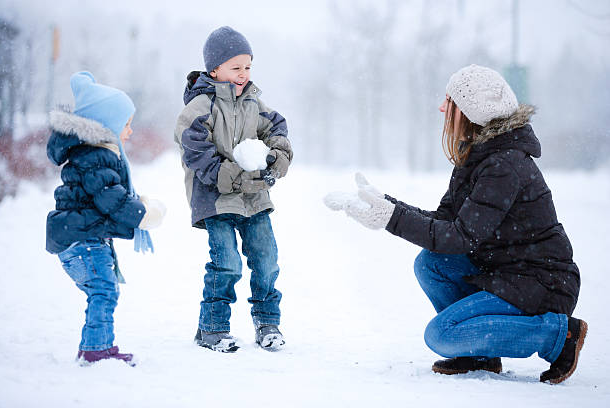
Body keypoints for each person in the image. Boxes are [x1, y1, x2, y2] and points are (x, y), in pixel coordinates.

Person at [324, 64, 586, 384]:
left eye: (449, 101)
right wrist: (387, 205)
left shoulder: (504, 165)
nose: (441, 107)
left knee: (441, 336)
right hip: (507, 272)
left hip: (541, 282)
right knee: (432, 264)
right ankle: (481, 355)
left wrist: (391, 219)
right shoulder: (479, 154)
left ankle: (558, 335)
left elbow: (459, 237)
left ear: (470, 111)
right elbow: (446, 220)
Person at [174, 26, 293, 352]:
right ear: (214, 70)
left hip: (254, 197)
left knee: (267, 260)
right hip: (216, 199)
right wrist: (234, 176)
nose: (244, 74)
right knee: (227, 263)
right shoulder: (199, 107)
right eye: (236, 67)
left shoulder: (253, 101)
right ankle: (211, 328)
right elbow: (196, 152)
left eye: (248, 66)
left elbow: (277, 128)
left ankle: (267, 323)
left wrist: (278, 155)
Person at [46, 71, 166, 365]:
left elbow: (109, 195)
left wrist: (136, 205)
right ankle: (95, 351)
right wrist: (141, 214)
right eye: (126, 124)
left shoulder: (95, 154)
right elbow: (110, 199)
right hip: (83, 241)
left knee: (103, 291)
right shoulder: (95, 157)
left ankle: (96, 346)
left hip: (84, 238)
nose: (130, 131)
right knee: (104, 291)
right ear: (108, 124)